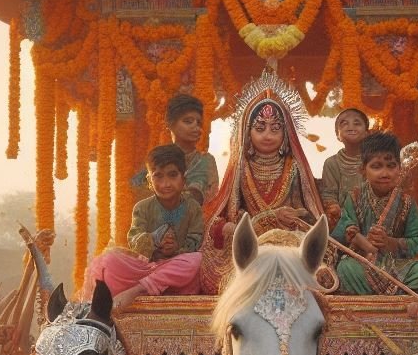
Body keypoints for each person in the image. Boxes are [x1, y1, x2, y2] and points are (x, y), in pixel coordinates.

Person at [199, 72, 325, 294]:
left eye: (275, 129)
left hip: (287, 239)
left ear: (286, 135)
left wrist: (295, 216)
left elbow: (306, 212)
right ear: (247, 133)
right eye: (260, 128)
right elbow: (225, 213)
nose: (267, 135)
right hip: (252, 239)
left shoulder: (294, 168)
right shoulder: (241, 167)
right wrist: (231, 225)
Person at [85, 144, 204, 311]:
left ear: (184, 179)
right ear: (149, 181)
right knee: (108, 261)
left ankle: (140, 290)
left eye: (172, 175)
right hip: (145, 269)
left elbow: (196, 240)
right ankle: (148, 285)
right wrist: (154, 240)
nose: (166, 183)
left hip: (174, 272)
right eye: (158, 177)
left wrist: (177, 249)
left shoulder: (193, 208)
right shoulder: (142, 208)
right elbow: (135, 241)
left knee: (197, 261)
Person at [332, 131, 418, 295]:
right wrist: (354, 236)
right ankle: (398, 295)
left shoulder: (406, 202)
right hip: (364, 264)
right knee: (345, 268)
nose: (384, 173)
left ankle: (374, 296)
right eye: (376, 166)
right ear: (363, 170)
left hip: (399, 266)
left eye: (391, 166)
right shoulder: (354, 197)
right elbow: (341, 233)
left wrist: (390, 243)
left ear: (399, 168)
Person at [319, 107, 369, 228]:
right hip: (343, 220)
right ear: (337, 135)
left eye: (357, 123)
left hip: (371, 218)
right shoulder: (331, 163)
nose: (351, 127)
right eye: (344, 124)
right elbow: (329, 195)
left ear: (367, 133)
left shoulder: (373, 161)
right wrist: (336, 211)